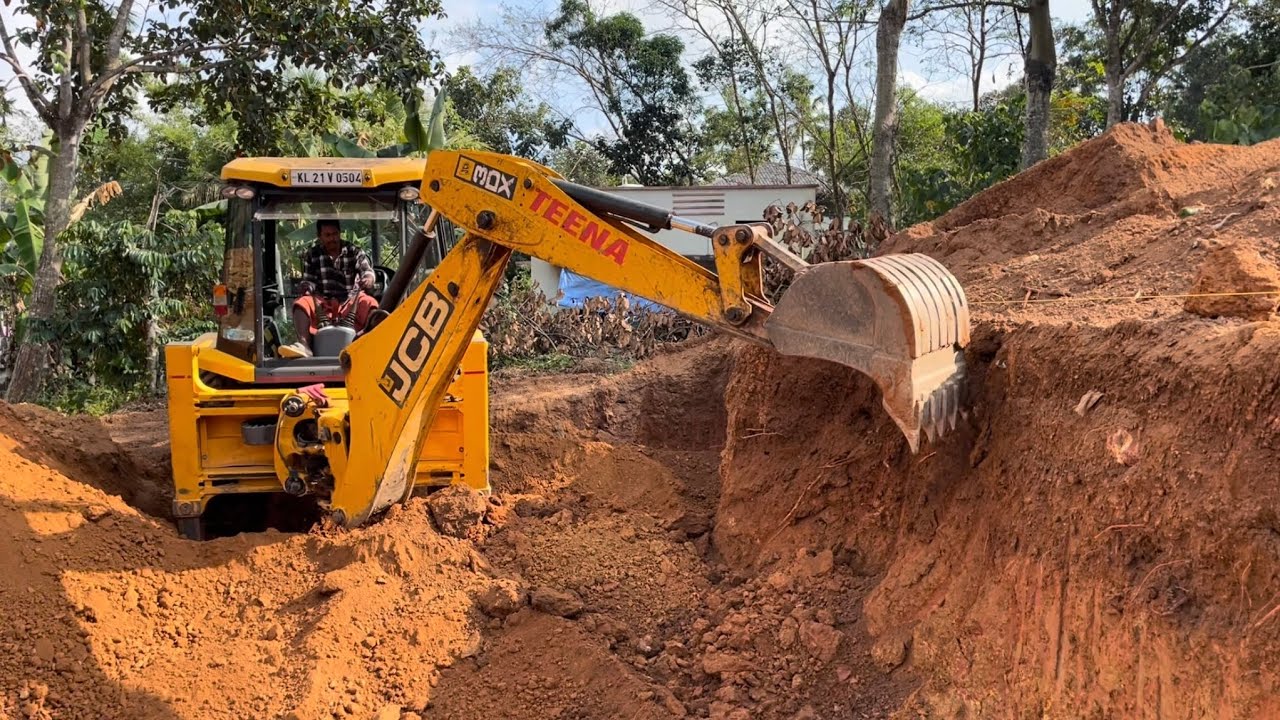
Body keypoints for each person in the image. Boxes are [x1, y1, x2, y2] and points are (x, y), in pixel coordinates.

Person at [279, 219, 380, 358]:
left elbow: (367, 271)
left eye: (335, 234)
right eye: (327, 235)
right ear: (320, 236)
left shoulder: (354, 251)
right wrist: (307, 287)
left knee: (370, 303)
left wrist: (368, 279)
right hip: (323, 301)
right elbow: (309, 280)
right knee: (301, 303)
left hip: (350, 300)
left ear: (340, 233)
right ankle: (304, 345)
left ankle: (372, 346)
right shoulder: (312, 254)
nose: (332, 238)